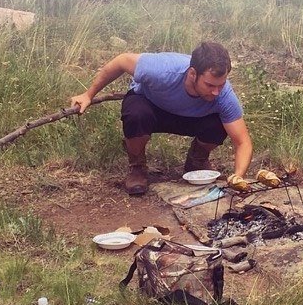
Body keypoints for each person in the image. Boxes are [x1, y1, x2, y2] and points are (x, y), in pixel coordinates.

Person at [70, 41, 252, 195]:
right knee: (136, 115)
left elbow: (242, 142)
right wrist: (88, 94)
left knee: (219, 124)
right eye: (210, 85)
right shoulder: (162, 69)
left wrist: (238, 177)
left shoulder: (223, 95)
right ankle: (137, 167)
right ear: (192, 74)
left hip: (191, 118)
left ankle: (196, 161)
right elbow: (121, 61)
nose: (216, 91)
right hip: (152, 106)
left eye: (221, 85)